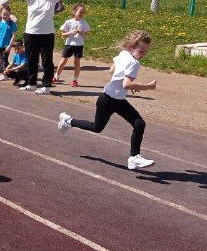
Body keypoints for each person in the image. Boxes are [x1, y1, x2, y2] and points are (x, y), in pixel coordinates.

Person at [58, 29, 156, 170]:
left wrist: (126, 82)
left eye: (145, 52)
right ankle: (68, 121)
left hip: (110, 98)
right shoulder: (134, 63)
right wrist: (148, 87)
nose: (143, 55)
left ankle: (134, 157)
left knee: (136, 124)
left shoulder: (123, 54)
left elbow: (112, 70)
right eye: (141, 51)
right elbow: (126, 84)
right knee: (106, 127)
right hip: (111, 100)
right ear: (130, 47)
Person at [16, 0, 71, 94]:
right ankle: (32, 83)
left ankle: (46, 85)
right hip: (30, 33)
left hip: (47, 34)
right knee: (31, 59)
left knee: (47, 60)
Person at [54, 3, 90, 87]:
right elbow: (63, 34)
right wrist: (70, 32)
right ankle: (56, 77)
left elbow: (86, 35)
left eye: (83, 12)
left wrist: (81, 33)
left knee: (77, 63)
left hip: (79, 45)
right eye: (80, 12)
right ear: (74, 12)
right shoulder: (68, 22)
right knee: (63, 62)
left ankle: (75, 80)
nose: (81, 14)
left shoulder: (84, 22)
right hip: (69, 44)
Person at [0, 6, 18, 70]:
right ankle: (3, 67)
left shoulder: (12, 23)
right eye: (4, 14)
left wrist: (9, 46)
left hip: (7, 45)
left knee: (5, 59)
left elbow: (13, 36)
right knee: (2, 58)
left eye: (7, 14)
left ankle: (7, 73)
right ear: (1, 14)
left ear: (9, 14)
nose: (5, 16)